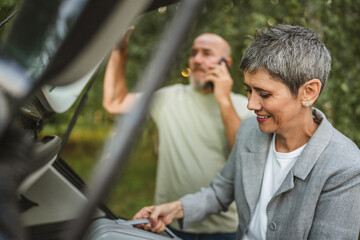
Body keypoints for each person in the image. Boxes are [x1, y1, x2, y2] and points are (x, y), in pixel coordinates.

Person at [132, 24, 360, 240]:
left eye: (264, 94)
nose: (251, 104)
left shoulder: (345, 166)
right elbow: (219, 192)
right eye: (249, 90)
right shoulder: (250, 129)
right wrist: (175, 209)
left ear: (308, 92)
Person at [103, 28, 253, 239]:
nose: (197, 59)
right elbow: (114, 102)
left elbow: (244, 155)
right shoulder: (168, 97)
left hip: (224, 229)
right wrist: (119, 51)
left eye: (207, 53)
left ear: (225, 64)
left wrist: (223, 100)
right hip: (170, 223)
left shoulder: (246, 106)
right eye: (193, 53)